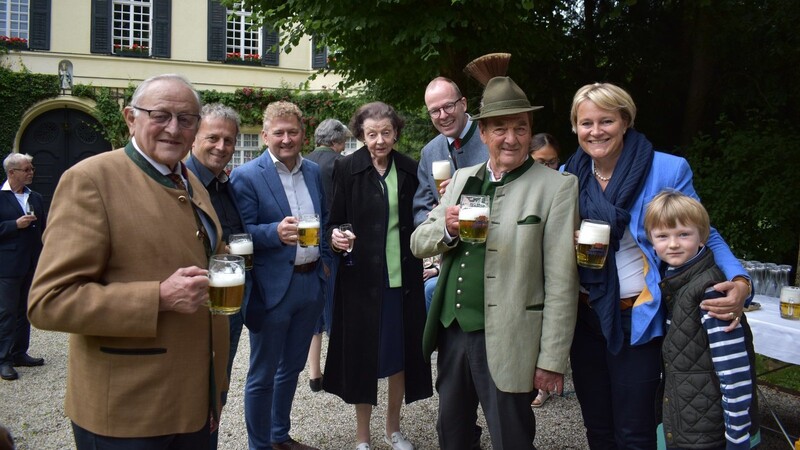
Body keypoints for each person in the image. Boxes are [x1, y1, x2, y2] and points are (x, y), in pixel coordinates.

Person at [28, 74, 230, 448]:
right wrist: (158, 297)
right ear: (130, 118)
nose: (174, 128)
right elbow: (48, 302)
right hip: (128, 411)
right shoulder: (91, 179)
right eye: (160, 115)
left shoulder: (191, 181)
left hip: (195, 403)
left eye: (186, 119)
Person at [563, 82, 752, 450]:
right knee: (597, 427)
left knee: (635, 431)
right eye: (586, 123)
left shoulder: (665, 169)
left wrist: (741, 280)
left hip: (638, 315)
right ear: (575, 127)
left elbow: (704, 233)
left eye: (606, 121)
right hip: (585, 316)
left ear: (626, 121)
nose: (596, 131)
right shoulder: (569, 173)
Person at [410, 76, 580, 450]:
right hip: (453, 330)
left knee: (512, 437)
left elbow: (562, 282)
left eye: (521, 128)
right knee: (451, 435)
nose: (511, 138)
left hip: (510, 335)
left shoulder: (556, 188)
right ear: (483, 133)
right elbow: (419, 242)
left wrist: (551, 360)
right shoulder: (461, 179)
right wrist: (449, 231)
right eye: (500, 128)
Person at [324, 102, 433, 450]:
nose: (379, 140)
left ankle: (394, 430)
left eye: (386, 132)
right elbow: (333, 223)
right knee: (363, 358)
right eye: (371, 134)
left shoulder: (410, 169)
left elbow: (422, 219)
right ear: (360, 135)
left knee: (399, 357)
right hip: (360, 282)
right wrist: (336, 238)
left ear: (396, 132)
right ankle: (362, 437)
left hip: (403, 281)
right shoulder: (346, 168)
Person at [230, 101, 331, 450]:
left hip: (310, 283)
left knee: (291, 368)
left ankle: (279, 436)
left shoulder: (315, 172)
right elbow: (238, 235)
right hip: (272, 289)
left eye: (293, 132)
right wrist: (274, 232)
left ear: (303, 134)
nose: (286, 139)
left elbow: (326, 220)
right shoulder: (246, 175)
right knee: (262, 375)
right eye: (279, 133)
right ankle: (259, 446)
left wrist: (329, 257)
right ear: (264, 135)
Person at [644, 190, 758, 450]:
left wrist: (738, 439)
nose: (673, 244)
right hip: (688, 421)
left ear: (703, 237)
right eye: (663, 236)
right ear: (650, 240)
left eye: (683, 234)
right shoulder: (673, 282)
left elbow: (734, 371)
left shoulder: (711, 291)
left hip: (709, 431)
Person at [185, 103, 251, 449]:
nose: (222, 147)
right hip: (197, 306)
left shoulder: (225, 181)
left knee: (218, 388)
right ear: (195, 137)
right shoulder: (183, 181)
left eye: (229, 140)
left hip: (229, 303)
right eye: (213, 137)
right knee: (195, 393)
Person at [304, 118, 350, 393]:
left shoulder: (303, 163)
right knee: (337, 305)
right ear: (337, 142)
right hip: (335, 240)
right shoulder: (340, 163)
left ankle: (314, 373)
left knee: (316, 309)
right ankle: (338, 369)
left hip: (308, 241)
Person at [413, 77, 489, 227]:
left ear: (463, 104)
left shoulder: (490, 138)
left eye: (448, 106)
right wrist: (437, 222)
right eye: (435, 111)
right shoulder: (429, 152)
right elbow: (421, 212)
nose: (443, 115)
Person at [1, 153, 45, 382]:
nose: (31, 173)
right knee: (6, 313)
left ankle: (19, 353)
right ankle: (3, 360)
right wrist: (13, 225)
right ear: (12, 173)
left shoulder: (35, 197)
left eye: (31, 168)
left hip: (31, 263)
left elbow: (45, 229)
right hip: (7, 266)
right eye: (26, 169)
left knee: (24, 311)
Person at [527, 132, 563, 409]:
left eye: (552, 163)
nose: (547, 168)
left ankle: (546, 380)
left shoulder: (563, 185)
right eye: (541, 162)